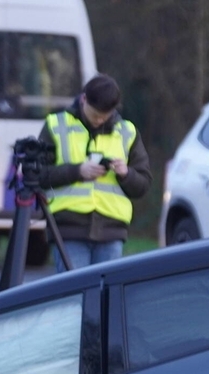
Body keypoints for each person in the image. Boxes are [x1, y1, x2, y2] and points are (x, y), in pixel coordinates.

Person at [38, 73, 152, 271]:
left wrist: (126, 174)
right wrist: (77, 171)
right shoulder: (56, 125)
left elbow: (143, 185)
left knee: (106, 298)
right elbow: (38, 175)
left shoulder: (127, 132)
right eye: (95, 114)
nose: (99, 120)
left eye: (105, 115)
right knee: (73, 296)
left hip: (111, 231)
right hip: (68, 228)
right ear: (83, 99)